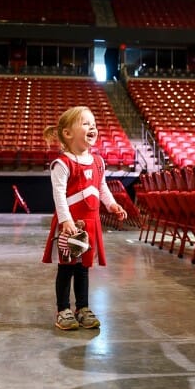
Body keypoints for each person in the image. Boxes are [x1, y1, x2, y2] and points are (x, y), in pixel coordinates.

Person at [41, 106, 127, 330]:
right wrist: (66, 221)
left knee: (83, 268)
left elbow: (101, 187)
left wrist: (112, 204)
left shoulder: (98, 161)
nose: (92, 127)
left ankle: (82, 308)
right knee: (66, 267)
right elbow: (58, 194)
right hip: (71, 224)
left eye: (93, 124)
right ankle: (63, 310)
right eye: (86, 123)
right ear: (68, 133)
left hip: (90, 224)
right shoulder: (62, 163)